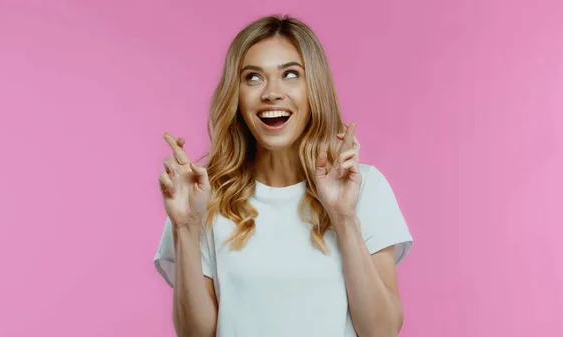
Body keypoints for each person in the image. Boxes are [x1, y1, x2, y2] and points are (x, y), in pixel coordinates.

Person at [154, 14, 413, 337]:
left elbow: (382, 331)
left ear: (313, 89)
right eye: (252, 78)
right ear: (236, 95)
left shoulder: (364, 187)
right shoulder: (204, 196)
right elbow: (195, 334)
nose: (271, 93)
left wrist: (343, 218)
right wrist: (186, 226)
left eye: (290, 74)